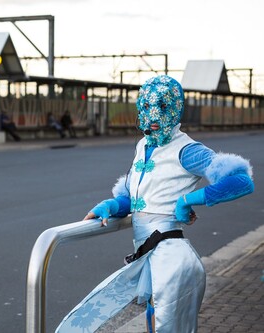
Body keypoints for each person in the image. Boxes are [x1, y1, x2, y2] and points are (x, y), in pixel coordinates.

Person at [56, 75, 254, 333]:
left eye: (162, 106)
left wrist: (187, 200)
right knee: (134, 320)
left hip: (171, 260)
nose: (153, 116)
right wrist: (110, 206)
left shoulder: (187, 150)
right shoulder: (143, 146)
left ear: (176, 107)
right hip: (150, 256)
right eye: (147, 107)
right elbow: (135, 197)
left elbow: (242, 181)